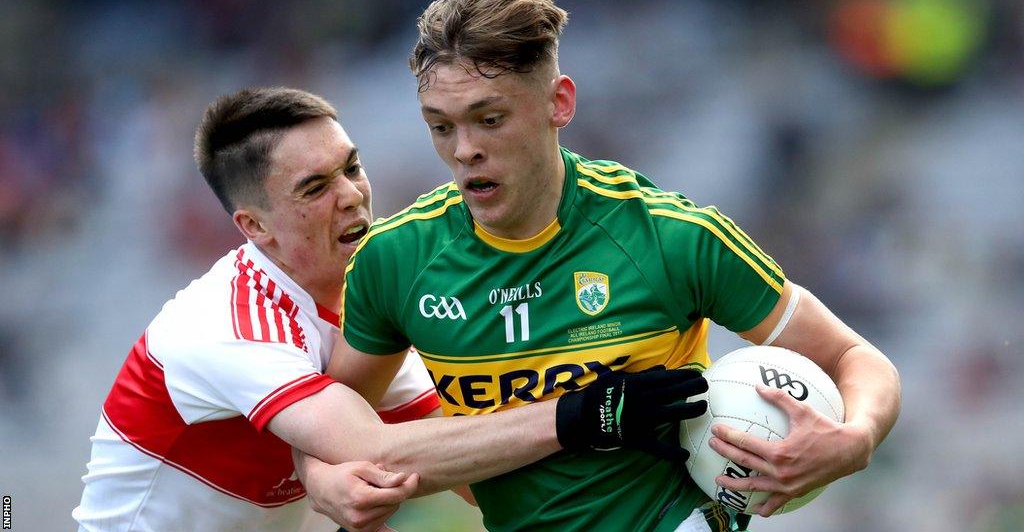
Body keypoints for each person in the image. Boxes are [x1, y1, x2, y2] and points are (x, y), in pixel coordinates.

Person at [320, 0, 902, 532]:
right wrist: (327, 485)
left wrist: (856, 439)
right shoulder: (393, 262)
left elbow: (855, 357)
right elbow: (326, 433)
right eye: (441, 126)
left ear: (559, 104)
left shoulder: (672, 237)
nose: (465, 149)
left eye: (489, 119)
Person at [73, 87, 711, 532]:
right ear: (254, 225)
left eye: (351, 168)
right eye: (316, 188)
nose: (353, 197)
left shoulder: (372, 307)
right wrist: (586, 414)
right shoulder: (226, 325)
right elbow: (375, 446)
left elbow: (473, 470)